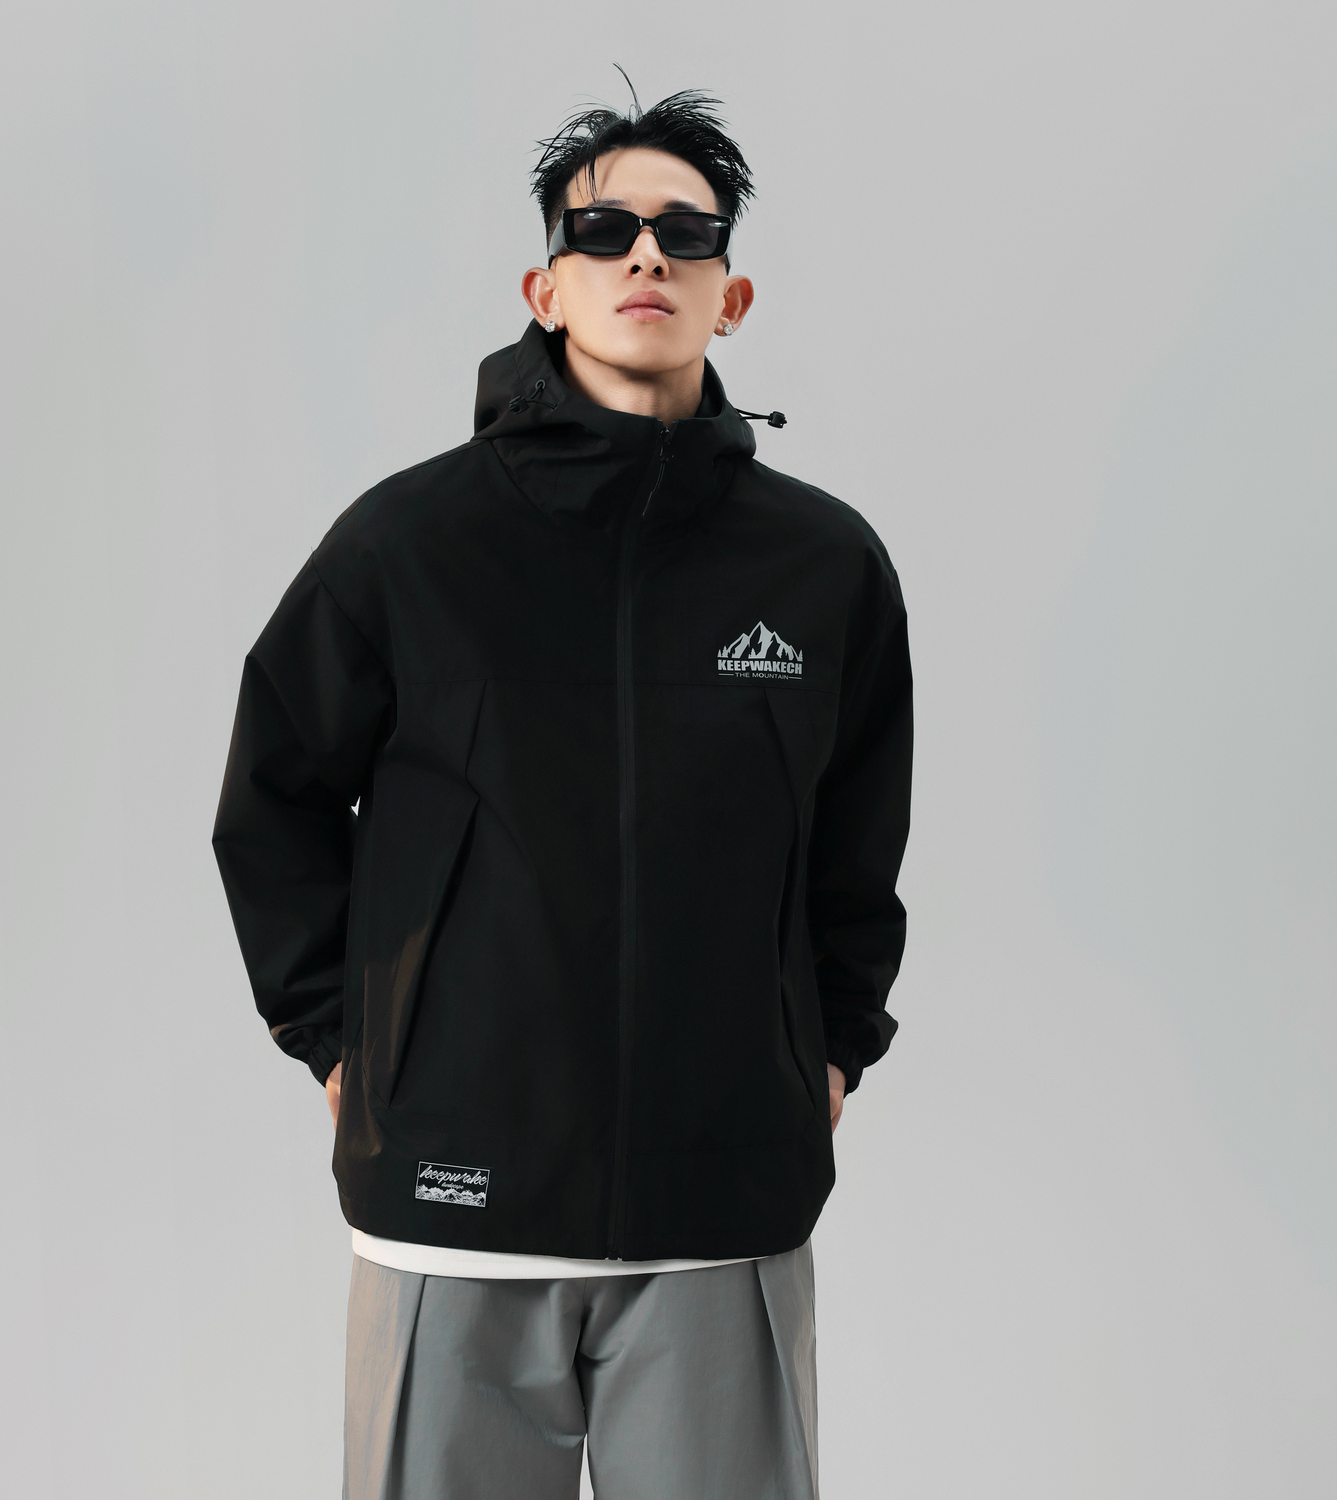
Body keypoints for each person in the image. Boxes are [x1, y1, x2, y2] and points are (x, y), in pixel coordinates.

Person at [212, 81, 912, 1500]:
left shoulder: (824, 567)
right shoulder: (410, 545)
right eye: (604, 230)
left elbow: (856, 847)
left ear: (731, 296)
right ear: (546, 288)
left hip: (722, 1204)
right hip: (452, 1203)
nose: (645, 253)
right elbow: (274, 794)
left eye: (685, 233)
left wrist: (830, 1052)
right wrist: (342, 1044)